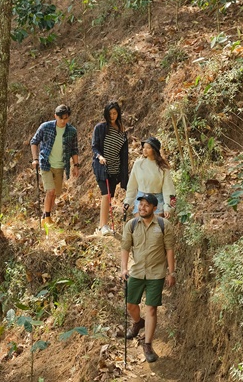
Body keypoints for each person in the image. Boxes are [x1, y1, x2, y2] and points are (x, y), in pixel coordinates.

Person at [121, 193, 177, 363]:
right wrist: (123, 269)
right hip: (137, 272)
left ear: (154, 207)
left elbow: (169, 249)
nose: (142, 208)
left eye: (146, 205)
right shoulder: (131, 225)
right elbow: (125, 247)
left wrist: (171, 272)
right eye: (141, 204)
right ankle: (138, 322)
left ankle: (147, 344)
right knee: (130, 305)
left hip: (156, 273)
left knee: (151, 309)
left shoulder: (164, 225)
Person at [30, 104, 79, 226]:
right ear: (55, 116)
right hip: (46, 163)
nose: (63, 121)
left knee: (54, 193)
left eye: (66, 118)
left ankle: (46, 215)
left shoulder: (71, 131)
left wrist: (76, 165)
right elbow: (34, 142)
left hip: (60, 165)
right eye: (61, 118)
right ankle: (47, 217)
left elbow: (74, 149)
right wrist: (35, 159)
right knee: (50, 191)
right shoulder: (45, 127)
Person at [92, 101, 130, 236]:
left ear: (118, 114)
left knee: (110, 196)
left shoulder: (122, 131)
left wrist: (124, 173)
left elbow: (124, 154)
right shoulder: (100, 128)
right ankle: (103, 226)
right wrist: (100, 156)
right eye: (110, 114)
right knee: (106, 194)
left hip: (115, 168)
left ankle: (104, 225)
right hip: (102, 167)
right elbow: (94, 146)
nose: (112, 116)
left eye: (114, 113)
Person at [123, 137, 176, 217]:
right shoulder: (138, 164)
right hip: (141, 200)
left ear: (154, 150)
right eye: (144, 147)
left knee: (155, 224)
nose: (144, 150)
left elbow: (168, 189)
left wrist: (167, 207)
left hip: (157, 201)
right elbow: (132, 186)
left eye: (148, 148)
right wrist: (127, 201)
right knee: (139, 223)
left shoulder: (163, 168)